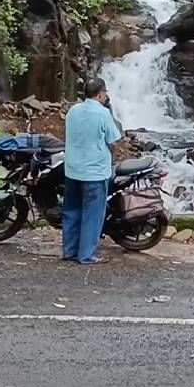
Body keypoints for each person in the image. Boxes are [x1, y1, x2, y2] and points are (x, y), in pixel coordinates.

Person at [62, 77, 121, 265]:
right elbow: (113, 140)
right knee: (92, 214)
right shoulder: (103, 114)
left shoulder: (73, 110)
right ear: (101, 93)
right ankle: (86, 255)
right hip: (95, 172)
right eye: (105, 93)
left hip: (72, 169)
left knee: (71, 211)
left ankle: (69, 251)